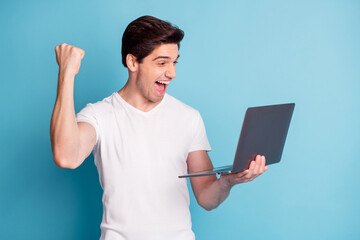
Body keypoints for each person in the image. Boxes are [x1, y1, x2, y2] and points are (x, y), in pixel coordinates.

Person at [50, 15, 268, 240]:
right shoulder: (99, 115)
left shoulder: (188, 117)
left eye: (174, 62)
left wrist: (230, 180)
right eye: (162, 63)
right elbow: (66, 157)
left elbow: (206, 197)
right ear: (133, 62)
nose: (172, 73)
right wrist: (66, 73)